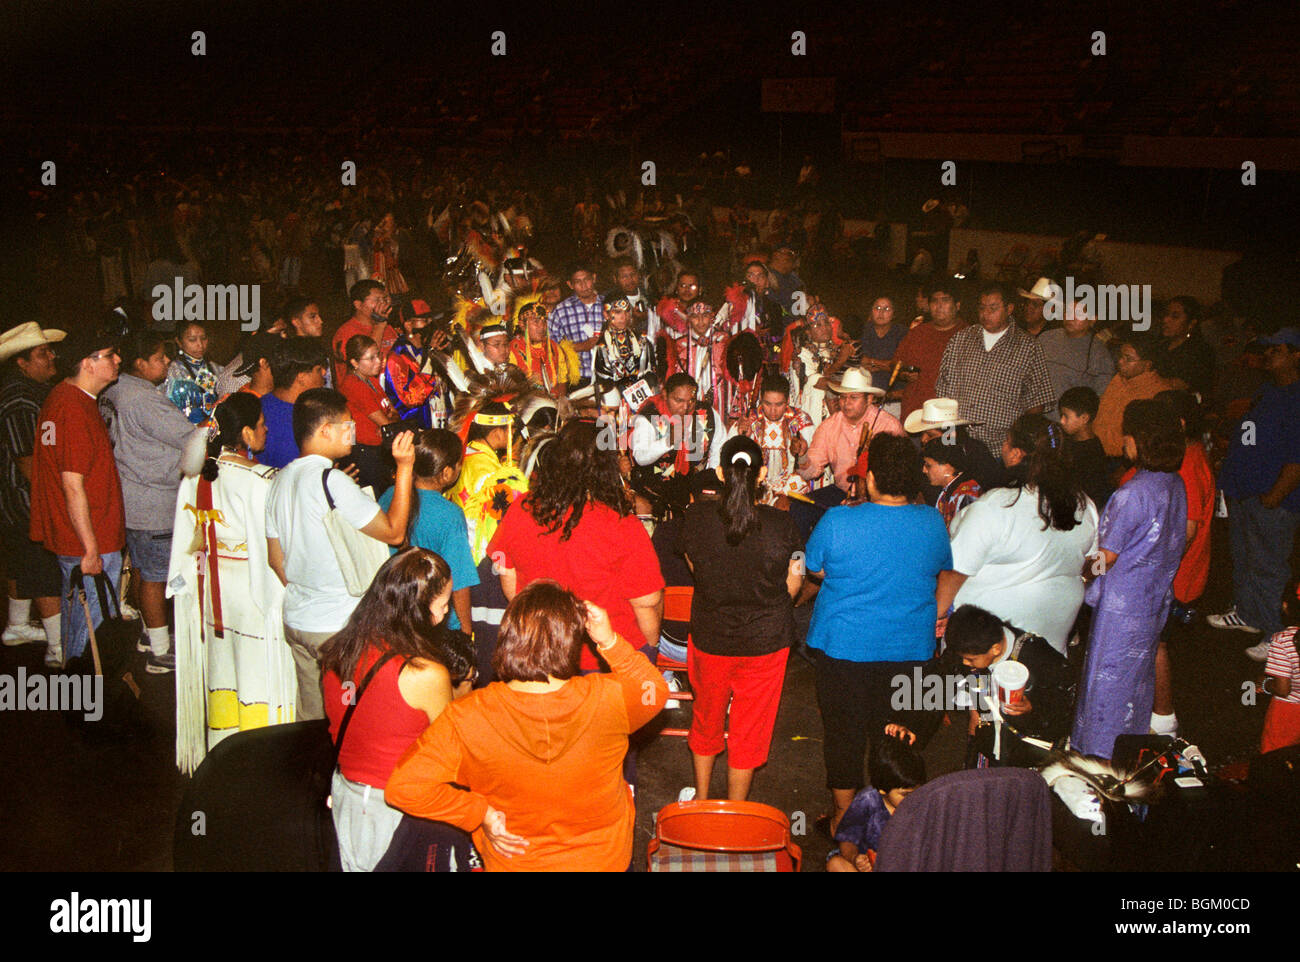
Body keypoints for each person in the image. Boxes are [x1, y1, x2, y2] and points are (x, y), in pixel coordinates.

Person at [385, 582, 668, 872]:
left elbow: (404, 788)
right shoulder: (609, 698)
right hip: (603, 861)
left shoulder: (467, 716)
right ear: (571, 642)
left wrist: (478, 812)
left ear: (507, 637)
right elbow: (653, 690)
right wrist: (608, 641)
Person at [804, 434, 951, 836]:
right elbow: (941, 569)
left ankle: (843, 820)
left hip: (843, 650)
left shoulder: (837, 520)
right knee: (896, 738)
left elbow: (814, 568)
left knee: (843, 735)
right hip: (910, 651)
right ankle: (890, 822)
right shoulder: (933, 522)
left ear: (870, 479)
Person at [265, 389, 415, 719]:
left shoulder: (279, 480)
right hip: (337, 626)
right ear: (325, 430)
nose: (354, 432)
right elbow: (394, 532)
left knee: (313, 719)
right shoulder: (332, 481)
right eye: (348, 425)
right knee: (350, 720)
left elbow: (276, 560)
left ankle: (314, 771)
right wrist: (404, 468)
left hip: (298, 620)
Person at [320, 549, 470, 872]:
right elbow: (451, 756)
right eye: (443, 605)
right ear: (418, 610)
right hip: (398, 811)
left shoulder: (338, 653)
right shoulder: (424, 674)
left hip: (346, 798)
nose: (446, 614)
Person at [170, 393, 296, 772]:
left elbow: (184, 539)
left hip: (212, 590)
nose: (267, 428)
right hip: (253, 589)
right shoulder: (262, 480)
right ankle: (261, 758)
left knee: (223, 669)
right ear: (245, 432)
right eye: (260, 423)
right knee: (257, 671)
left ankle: (224, 756)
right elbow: (280, 546)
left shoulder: (195, 475)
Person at [674, 435, 803, 801]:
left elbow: (696, 569)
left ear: (719, 473)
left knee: (706, 716)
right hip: (767, 644)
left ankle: (700, 799)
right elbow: (795, 581)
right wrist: (767, 605)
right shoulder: (783, 525)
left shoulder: (695, 518)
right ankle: (735, 812)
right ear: (762, 473)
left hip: (711, 638)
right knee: (751, 728)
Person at [489, 419, 665, 675]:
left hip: (542, 655)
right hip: (609, 660)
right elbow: (647, 602)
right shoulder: (621, 524)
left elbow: (510, 586)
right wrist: (649, 650)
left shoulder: (521, 509)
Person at [1072, 400, 1187, 759]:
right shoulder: (1173, 483)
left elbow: (1106, 558)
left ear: (1143, 440)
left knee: (1107, 684)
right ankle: (1130, 750)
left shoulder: (1131, 494)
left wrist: (1078, 577)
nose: (1123, 441)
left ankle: (1099, 756)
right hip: (1154, 600)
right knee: (1136, 683)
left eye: (1128, 434)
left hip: (1122, 610)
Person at [939, 414, 1099, 655]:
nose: (1002, 447)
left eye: (1006, 441)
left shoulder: (997, 506)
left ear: (1015, 454)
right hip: (1052, 646)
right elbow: (1096, 565)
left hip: (988, 645)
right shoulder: (1085, 504)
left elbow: (954, 573)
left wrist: (936, 616)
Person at [101, 330, 206, 673]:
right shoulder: (144, 399)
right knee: (156, 576)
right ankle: (159, 651)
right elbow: (186, 436)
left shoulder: (118, 390)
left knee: (149, 570)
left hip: (135, 493)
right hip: (152, 498)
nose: (166, 363)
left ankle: (152, 634)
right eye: (160, 358)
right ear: (140, 363)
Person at [1117, 390, 1213, 735]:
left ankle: (1163, 716)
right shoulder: (1186, 458)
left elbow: (1184, 531)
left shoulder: (1182, 469)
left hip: (1171, 580)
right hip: (1169, 578)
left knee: (1154, 645)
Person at [29, 328, 125, 668]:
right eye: (110, 354)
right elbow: (72, 484)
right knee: (91, 629)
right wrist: (89, 548)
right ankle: (90, 705)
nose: (117, 360)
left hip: (76, 535)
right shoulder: (74, 409)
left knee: (78, 622)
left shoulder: (61, 397)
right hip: (90, 536)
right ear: (88, 363)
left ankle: (80, 700)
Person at [1209, 328, 1300, 650]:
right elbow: (1249, 431)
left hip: (1273, 499)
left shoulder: (1296, 398)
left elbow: (1297, 458)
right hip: (1244, 492)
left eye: (1276, 350)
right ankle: (1248, 614)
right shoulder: (1265, 391)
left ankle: (1276, 635)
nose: (1267, 355)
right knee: (1244, 558)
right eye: (1267, 350)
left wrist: (1275, 496)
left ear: (1296, 355)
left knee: (1269, 566)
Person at [0, 323, 65, 654]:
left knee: (21, 561)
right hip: (24, 500)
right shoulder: (20, 398)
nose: (51, 357)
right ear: (22, 363)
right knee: (42, 567)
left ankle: (17, 626)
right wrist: (54, 502)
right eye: (43, 353)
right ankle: (58, 647)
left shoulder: (32, 390)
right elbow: (28, 460)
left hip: (18, 500)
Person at [934, 281, 1056, 458]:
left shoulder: (1028, 347)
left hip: (999, 449)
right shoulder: (960, 340)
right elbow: (944, 392)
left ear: (1009, 309)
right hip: (958, 444)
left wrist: (1020, 446)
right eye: (982, 308)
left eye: (993, 308)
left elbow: (1036, 402)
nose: (986, 314)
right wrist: (947, 441)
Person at [380, 429, 477, 635]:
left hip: (395, 609)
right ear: (447, 473)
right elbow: (459, 580)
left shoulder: (391, 495)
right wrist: (466, 632)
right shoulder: (449, 514)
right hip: (437, 618)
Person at [793, 367, 905, 538]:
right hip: (841, 492)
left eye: (854, 397)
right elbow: (810, 472)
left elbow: (898, 478)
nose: (846, 402)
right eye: (843, 397)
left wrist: (867, 498)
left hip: (878, 498)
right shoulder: (830, 426)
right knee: (799, 507)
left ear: (869, 399)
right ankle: (803, 561)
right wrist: (802, 455)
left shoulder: (889, 427)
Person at [630, 373, 726, 518]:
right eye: (678, 400)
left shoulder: (706, 413)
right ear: (665, 394)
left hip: (694, 494)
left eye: (691, 401)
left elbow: (720, 446)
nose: (686, 407)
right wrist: (668, 442)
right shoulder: (648, 417)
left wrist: (710, 479)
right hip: (654, 497)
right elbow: (640, 456)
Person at [827, 735, 925, 873]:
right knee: (835, 864)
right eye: (905, 795)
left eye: (918, 791)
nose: (914, 798)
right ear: (882, 789)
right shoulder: (867, 801)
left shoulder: (924, 803)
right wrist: (856, 858)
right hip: (870, 866)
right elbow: (846, 840)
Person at [1094, 336, 1185, 457]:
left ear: (1147, 364)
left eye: (1129, 359)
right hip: (1098, 450)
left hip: (1124, 459)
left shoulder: (1158, 393)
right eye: (1121, 356)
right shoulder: (1119, 379)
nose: (1121, 361)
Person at [892, 277, 968, 420]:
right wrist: (903, 373)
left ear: (957, 305)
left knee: (948, 443)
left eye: (945, 300)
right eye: (934, 301)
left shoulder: (969, 336)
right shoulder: (917, 332)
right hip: (913, 415)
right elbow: (895, 364)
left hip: (948, 420)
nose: (939, 306)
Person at [732, 373, 814, 505]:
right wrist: (742, 438)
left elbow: (812, 468)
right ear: (761, 399)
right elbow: (731, 459)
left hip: (791, 487)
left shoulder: (801, 421)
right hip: (756, 485)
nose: (773, 410)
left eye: (779, 404)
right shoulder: (748, 420)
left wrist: (802, 453)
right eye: (768, 404)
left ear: (787, 401)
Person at [340, 335, 399, 494]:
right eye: (371, 358)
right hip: (364, 454)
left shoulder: (371, 380)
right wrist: (388, 421)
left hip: (378, 450)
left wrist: (389, 420)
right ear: (354, 363)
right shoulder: (353, 385)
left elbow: (393, 414)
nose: (378, 361)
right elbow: (386, 422)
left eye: (378, 355)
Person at [259, 337, 329, 469]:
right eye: (319, 369)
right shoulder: (293, 421)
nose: (324, 373)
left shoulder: (260, 405)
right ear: (301, 378)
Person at [1037, 299, 1115, 412]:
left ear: (1093, 319)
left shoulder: (1099, 355)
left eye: (1078, 314)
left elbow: (1100, 398)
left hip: (1065, 422)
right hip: (1033, 414)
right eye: (1067, 312)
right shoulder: (1046, 338)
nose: (1070, 318)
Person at [1258, 582, 1300, 754]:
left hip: (1289, 710)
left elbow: (1283, 689)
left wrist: (1265, 684)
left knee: (1275, 756)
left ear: (1285, 606)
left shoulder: (1283, 640)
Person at [1057, 386, 1113, 512]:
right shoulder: (1067, 440)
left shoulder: (1091, 453)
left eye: (1066, 416)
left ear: (1084, 418)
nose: (1062, 421)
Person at [332, 280, 397, 386]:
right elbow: (367, 367)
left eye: (384, 299)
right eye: (377, 300)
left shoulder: (388, 327)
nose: (383, 304)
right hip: (364, 392)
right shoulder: (346, 333)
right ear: (358, 305)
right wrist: (379, 326)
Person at [548, 262, 604, 383]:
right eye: (578, 282)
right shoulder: (561, 310)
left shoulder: (607, 305)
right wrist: (580, 346)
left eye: (587, 280)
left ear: (594, 278)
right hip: (578, 378)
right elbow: (550, 346)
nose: (584, 286)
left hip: (609, 374)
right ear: (570, 284)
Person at [508, 296, 576, 397]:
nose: (542, 327)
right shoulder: (512, 350)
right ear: (522, 325)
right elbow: (512, 388)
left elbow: (562, 380)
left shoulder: (554, 347)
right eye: (536, 321)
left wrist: (561, 401)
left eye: (544, 321)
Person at [593, 295, 655, 403]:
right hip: (615, 398)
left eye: (626, 311)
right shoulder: (602, 346)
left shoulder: (642, 340)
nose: (623, 317)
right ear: (606, 315)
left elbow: (650, 371)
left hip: (643, 394)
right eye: (617, 312)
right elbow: (603, 380)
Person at [1155, 296, 1215, 399]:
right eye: (1165, 315)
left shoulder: (1200, 352)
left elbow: (1185, 387)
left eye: (1175, 316)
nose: (1165, 320)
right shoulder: (1160, 346)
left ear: (1191, 323)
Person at [165, 320, 219, 425]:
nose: (200, 345)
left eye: (203, 339)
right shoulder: (172, 372)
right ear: (179, 342)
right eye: (192, 340)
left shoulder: (214, 369)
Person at [921, 436, 981, 528]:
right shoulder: (947, 491)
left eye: (928, 465)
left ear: (947, 467)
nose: (924, 470)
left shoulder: (967, 494)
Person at [858, 295, 907, 393]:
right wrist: (885, 364)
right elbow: (858, 361)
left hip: (894, 393)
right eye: (877, 308)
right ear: (871, 311)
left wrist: (871, 361)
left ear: (894, 313)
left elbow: (900, 366)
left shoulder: (903, 333)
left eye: (887, 309)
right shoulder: (861, 331)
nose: (881, 312)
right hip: (865, 391)